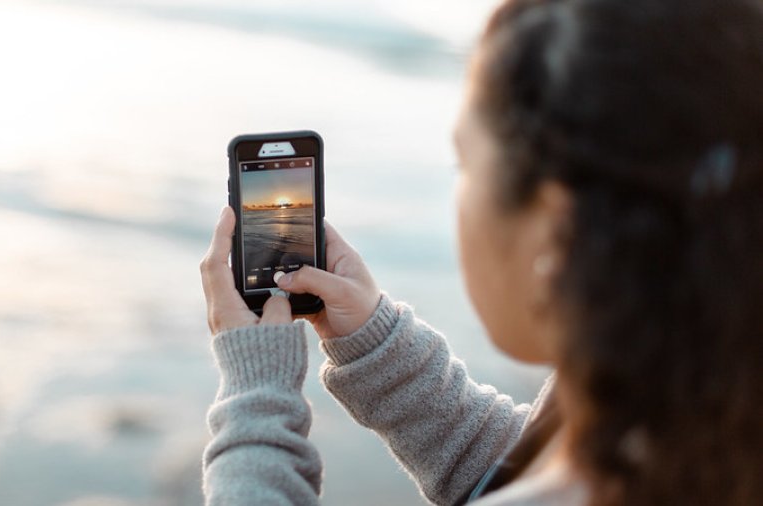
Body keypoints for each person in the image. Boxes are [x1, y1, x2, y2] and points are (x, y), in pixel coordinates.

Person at [199, 0, 763, 504]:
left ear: (553, 227)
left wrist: (258, 398)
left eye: (465, 164)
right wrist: (377, 346)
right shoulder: (684, 418)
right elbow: (525, 463)